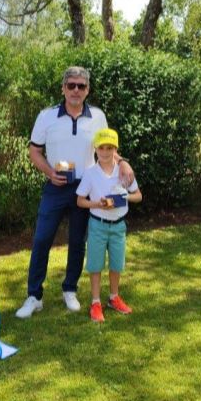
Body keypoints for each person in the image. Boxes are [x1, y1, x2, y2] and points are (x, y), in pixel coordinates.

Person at [15, 66, 133, 319]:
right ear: (63, 89)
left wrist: (123, 162)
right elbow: (34, 151)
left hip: (86, 187)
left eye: (81, 86)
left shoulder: (98, 117)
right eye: (71, 86)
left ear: (88, 89)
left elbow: (107, 149)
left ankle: (70, 289)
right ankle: (34, 296)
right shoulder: (46, 116)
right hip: (56, 187)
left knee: (78, 242)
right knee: (42, 239)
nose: (76, 90)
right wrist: (49, 172)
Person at [76, 128, 142, 322]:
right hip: (97, 225)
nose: (105, 152)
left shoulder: (123, 171)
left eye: (109, 148)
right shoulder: (90, 173)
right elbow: (80, 201)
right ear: (96, 149)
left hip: (118, 226)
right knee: (95, 264)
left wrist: (125, 197)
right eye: (101, 148)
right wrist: (96, 204)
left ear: (116, 149)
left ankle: (114, 298)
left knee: (116, 264)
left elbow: (138, 195)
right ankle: (95, 302)